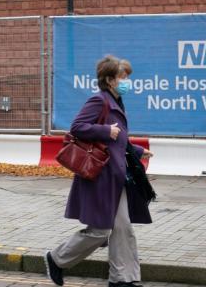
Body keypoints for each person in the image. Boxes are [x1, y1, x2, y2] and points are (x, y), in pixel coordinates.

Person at [45, 55, 154, 287]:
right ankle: (56, 259)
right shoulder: (99, 100)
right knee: (101, 231)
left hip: (118, 176)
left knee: (123, 228)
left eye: (127, 77)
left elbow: (118, 139)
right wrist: (105, 131)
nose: (127, 81)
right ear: (110, 80)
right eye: (123, 77)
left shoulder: (117, 101)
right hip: (100, 177)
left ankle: (123, 279)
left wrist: (136, 150)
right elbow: (77, 128)